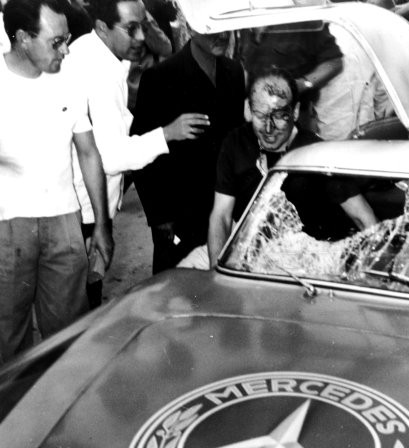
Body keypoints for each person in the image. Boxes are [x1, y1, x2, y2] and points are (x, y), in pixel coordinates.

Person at [64, 0, 208, 305]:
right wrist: (167, 133)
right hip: (85, 208)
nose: (141, 37)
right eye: (132, 29)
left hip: (83, 202)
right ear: (102, 27)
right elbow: (113, 157)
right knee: (82, 304)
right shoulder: (98, 71)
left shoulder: (96, 52)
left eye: (143, 26)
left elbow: (117, 124)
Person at [0, 0, 113, 362]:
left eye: (67, 40)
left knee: (68, 341)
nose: (65, 50)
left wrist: (102, 224)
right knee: (7, 340)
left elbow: (89, 152)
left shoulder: (69, 79)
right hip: (6, 225)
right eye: (56, 42)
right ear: (22, 39)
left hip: (64, 221)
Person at [206, 68, 377, 269]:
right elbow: (221, 215)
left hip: (308, 263)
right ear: (248, 110)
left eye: (279, 116)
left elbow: (363, 217)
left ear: (295, 112)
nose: (268, 129)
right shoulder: (235, 143)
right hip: (251, 255)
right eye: (260, 115)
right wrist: (214, 272)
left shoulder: (316, 152)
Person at [131, 28, 246, 273]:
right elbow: (140, 151)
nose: (221, 36)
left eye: (224, 28)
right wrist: (160, 218)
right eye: (210, 29)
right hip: (179, 212)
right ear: (191, 26)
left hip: (225, 206)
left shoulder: (234, 72)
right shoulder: (159, 77)